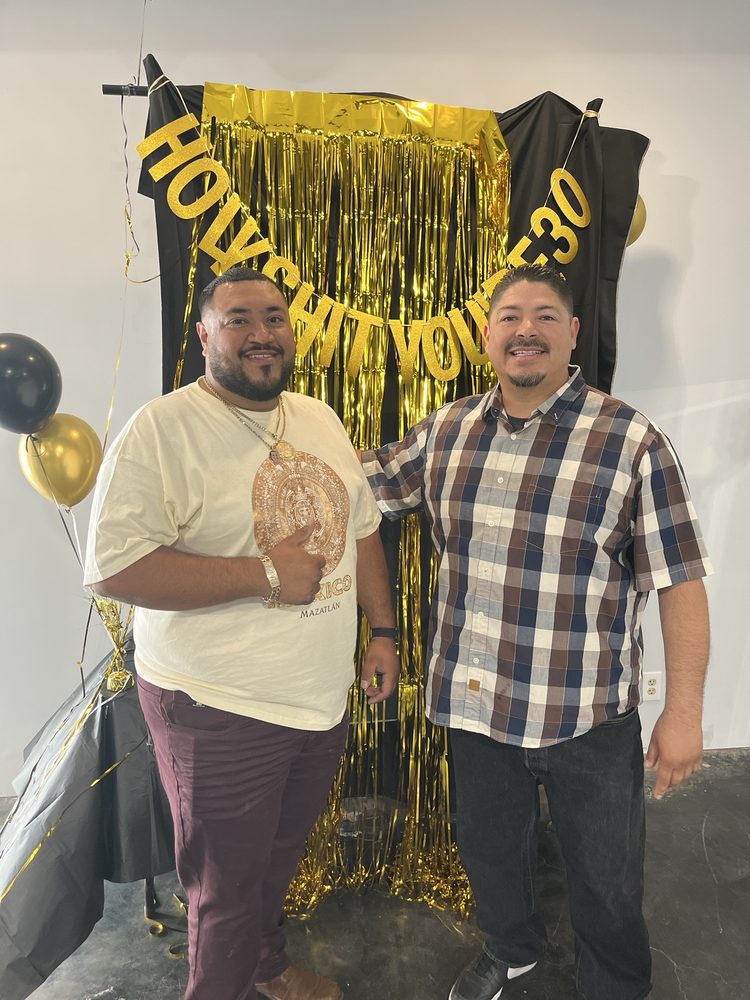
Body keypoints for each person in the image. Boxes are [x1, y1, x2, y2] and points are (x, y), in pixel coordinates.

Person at [360, 263, 711, 1000]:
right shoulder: (447, 430)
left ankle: (616, 985)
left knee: (606, 879)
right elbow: (361, 486)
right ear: (487, 336)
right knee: (489, 855)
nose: (527, 330)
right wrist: (263, 448)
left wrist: (683, 713)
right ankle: (510, 951)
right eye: (510, 316)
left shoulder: (631, 441)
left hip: (586, 717)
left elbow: (679, 582)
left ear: (573, 333)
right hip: (474, 706)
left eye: (546, 316)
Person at [84, 267, 399, 1000]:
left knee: (274, 863)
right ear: (203, 335)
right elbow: (114, 569)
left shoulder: (318, 416)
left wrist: (382, 630)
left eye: (274, 317)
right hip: (217, 707)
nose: (262, 334)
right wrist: (265, 575)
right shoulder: (162, 430)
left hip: (318, 700)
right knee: (223, 894)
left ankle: (265, 968)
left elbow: (363, 530)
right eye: (238, 320)